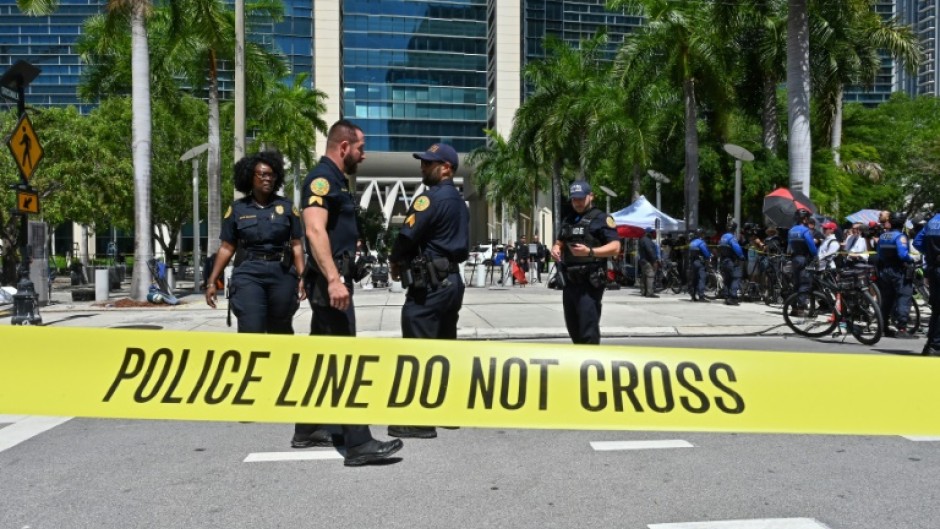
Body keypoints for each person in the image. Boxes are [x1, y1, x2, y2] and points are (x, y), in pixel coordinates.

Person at [292, 119, 404, 466]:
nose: (364, 154)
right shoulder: (322, 179)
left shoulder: (336, 180)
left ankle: (308, 429)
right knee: (345, 361)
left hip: (330, 280)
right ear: (343, 147)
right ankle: (358, 444)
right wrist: (333, 279)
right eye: (360, 148)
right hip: (332, 285)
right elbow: (313, 229)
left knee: (324, 357)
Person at [387, 142, 469, 439]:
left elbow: (407, 236)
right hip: (451, 282)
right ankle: (447, 410)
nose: (422, 167)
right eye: (422, 162)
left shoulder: (429, 199)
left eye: (429, 163)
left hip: (430, 285)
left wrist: (395, 260)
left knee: (419, 347)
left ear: (446, 168)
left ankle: (420, 420)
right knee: (444, 348)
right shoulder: (458, 201)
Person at [205, 151, 306, 334]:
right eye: (262, 174)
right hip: (249, 273)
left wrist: (303, 277)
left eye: (271, 175)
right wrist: (212, 281)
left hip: (282, 272)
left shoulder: (287, 207)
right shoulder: (237, 209)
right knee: (252, 327)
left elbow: (297, 245)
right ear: (250, 177)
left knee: (281, 330)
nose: (268, 179)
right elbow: (227, 248)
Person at [550, 181, 621, 344]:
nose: (578, 202)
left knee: (587, 330)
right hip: (569, 282)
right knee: (573, 328)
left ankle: (591, 365)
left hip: (590, 281)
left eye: (581, 199)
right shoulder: (569, 219)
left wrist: (590, 251)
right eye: (575, 199)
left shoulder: (602, 218)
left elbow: (616, 247)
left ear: (591, 196)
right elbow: (561, 240)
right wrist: (556, 247)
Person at [877, 211, 917, 339]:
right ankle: (902, 328)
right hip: (899, 271)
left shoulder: (883, 236)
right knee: (903, 298)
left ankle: (883, 327)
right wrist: (913, 258)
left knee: (887, 300)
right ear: (903, 223)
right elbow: (902, 255)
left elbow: (879, 254)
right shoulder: (900, 237)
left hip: (885, 270)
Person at [913, 212, 940, 355]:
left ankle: (931, 344)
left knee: (936, 309)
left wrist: (931, 255)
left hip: (933, 268)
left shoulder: (932, 221)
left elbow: (917, 242)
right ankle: (935, 345)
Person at [787, 209, 818, 312]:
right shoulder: (805, 231)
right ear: (804, 219)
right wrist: (815, 256)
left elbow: (789, 246)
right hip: (804, 258)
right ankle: (801, 306)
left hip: (794, 258)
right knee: (804, 283)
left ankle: (793, 306)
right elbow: (812, 247)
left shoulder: (791, 230)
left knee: (796, 283)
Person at [718, 221, 744, 305]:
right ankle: (733, 297)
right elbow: (737, 248)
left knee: (727, 279)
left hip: (723, 261)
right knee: (736, 277)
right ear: (734, 229)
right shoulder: (731, 238)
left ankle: (727, 296)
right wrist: (741, 256)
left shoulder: (723, 237)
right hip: (730, 260)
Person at [687, 228, 711, 302]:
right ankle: (701, 296)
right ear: (702, 234)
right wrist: (709, 256)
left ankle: (693, 295)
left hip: (692, 263)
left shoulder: (692, 242)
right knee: (702, 278)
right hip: (699, 262)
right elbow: (706, 253)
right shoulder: (701, 242)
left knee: (694, 279)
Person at [637, 227, 660, 298]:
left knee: (644, 276)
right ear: (649, 233)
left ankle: (644, 291)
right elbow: (650, 251)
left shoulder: (642, 239)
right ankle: (649, 293)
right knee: (650, 276)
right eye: (652, 233)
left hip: (643, 260)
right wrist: (654, 260)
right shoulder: (647, 241)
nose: (654, 234)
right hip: (648, 261)